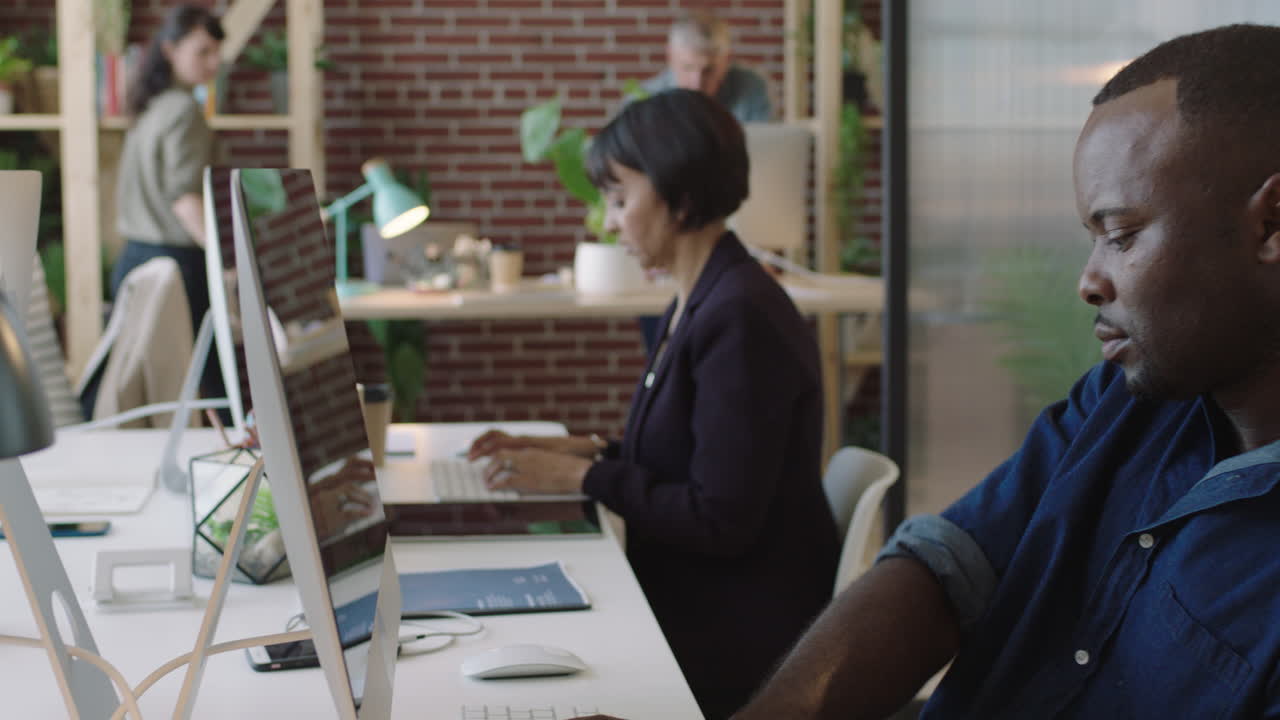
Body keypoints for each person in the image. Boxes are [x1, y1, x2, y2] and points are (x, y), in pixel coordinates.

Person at [725, 23, 1280, 719]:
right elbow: (945, 566)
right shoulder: (1128, 397)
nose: (1089, 280)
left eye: (1121, 235)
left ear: (1271, 225)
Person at [469, 89, 838, 719]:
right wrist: (581, 449)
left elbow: (718, 517)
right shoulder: (699, 298)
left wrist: (584, 476)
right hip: (697, 599)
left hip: (734, 635)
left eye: (619, 198)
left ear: (681, 198)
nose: (610, 221)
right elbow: (696, 461)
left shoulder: (738, 318)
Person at [104, 5, 223, 411]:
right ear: (170, 49)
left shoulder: (150, 106)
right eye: (202, 51)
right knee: (209, 384)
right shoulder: (184, 110)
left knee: (148, 393)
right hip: (177, 267)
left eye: (216, 51)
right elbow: (183, 196)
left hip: (135, 260)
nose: (214, 62)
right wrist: (225, 256)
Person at [641, 9, 772, 125]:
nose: (697, 83)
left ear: (727, 60)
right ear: (670, 57)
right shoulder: (644, 100)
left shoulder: (752, 87)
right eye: (688, 67)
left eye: (709, 70)